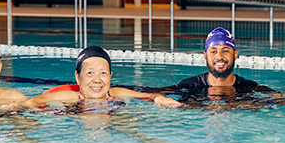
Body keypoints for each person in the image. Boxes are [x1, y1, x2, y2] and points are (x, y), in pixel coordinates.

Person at [24, 46, 181, 111]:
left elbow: (149, 95)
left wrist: (159, 99)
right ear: (77, 77)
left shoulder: (115, 93)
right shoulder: (69, 96)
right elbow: (33, 101)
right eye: (90, 73)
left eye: (103, 73)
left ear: (110, 76)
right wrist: (41, 112)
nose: (97, 80)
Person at [176, 27, 274, 93]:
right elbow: (161, 93)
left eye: (225, 51)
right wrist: (160, 98)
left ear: (235, 54)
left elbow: (281, 99)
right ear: (205, 55)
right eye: (213, 52)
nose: (219, 57)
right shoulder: (189, 85)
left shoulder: (249, 87)